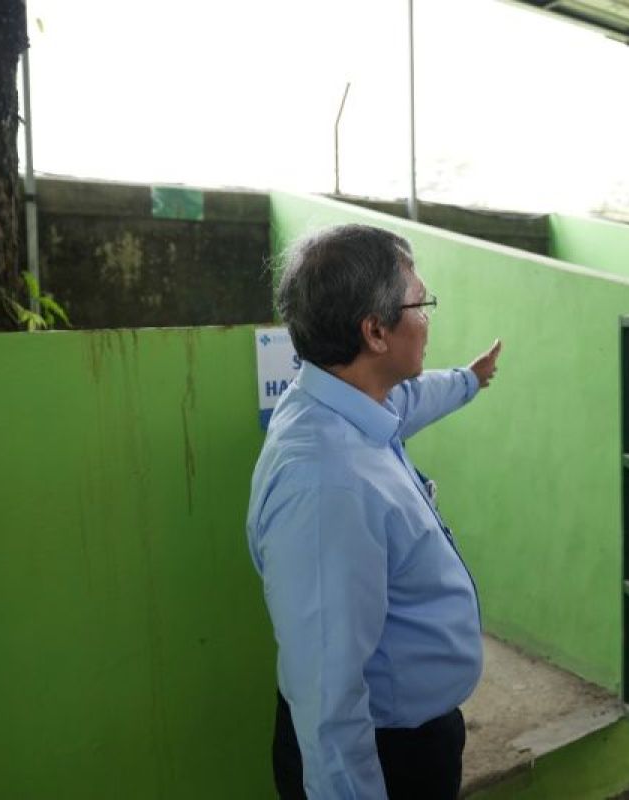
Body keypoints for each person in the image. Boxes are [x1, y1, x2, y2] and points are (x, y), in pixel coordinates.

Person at [246, 223, 502, 799]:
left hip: (411, 733)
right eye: (421, 303)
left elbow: (412, 398)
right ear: (376, 331)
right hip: (385, 755)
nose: (428, 317)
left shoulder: (341, 401)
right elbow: (329, 706)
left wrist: (468, 381)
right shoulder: (327, 484)